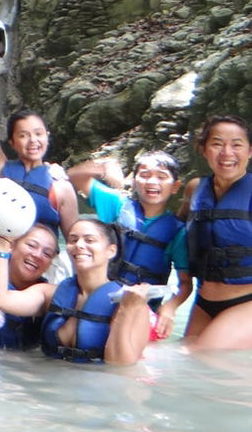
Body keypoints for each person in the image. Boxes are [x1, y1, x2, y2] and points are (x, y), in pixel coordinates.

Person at [0, 218, 152, 364]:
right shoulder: (50, 294)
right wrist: (2, 244)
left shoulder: (133, 304)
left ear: (111, 251)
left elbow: (120, 366)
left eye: (89, 240)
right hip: (47, 387)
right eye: (73, 240)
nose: (79, 245)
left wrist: (125, 311)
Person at [0, 53, 79, 243]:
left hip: (41, 263)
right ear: (12, 142)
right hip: (1, 257)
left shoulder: (61, 187)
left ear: (47, 137)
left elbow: (74, 240)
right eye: (23, 135)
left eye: (38, 134)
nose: (33, 140)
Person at [69, 152, 191, 338]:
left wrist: (169, 307)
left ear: (175, 187)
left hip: (140, 308)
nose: (152, 182)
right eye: (144, 175)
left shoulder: (177, 231)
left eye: (161, 177)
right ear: (134, 181)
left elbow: (185, 283)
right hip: (102, 297)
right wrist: (103, 168)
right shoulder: (117, 205)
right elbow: (74, 176)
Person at [183, 115, 252, 349]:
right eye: (217, 143)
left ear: (250, 151)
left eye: (236, 144)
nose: (227, 152)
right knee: (189, 372)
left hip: (247, 302)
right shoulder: (194, 189)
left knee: (197, 357)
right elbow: (174, 230)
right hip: (204, 302)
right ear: (203, 150)